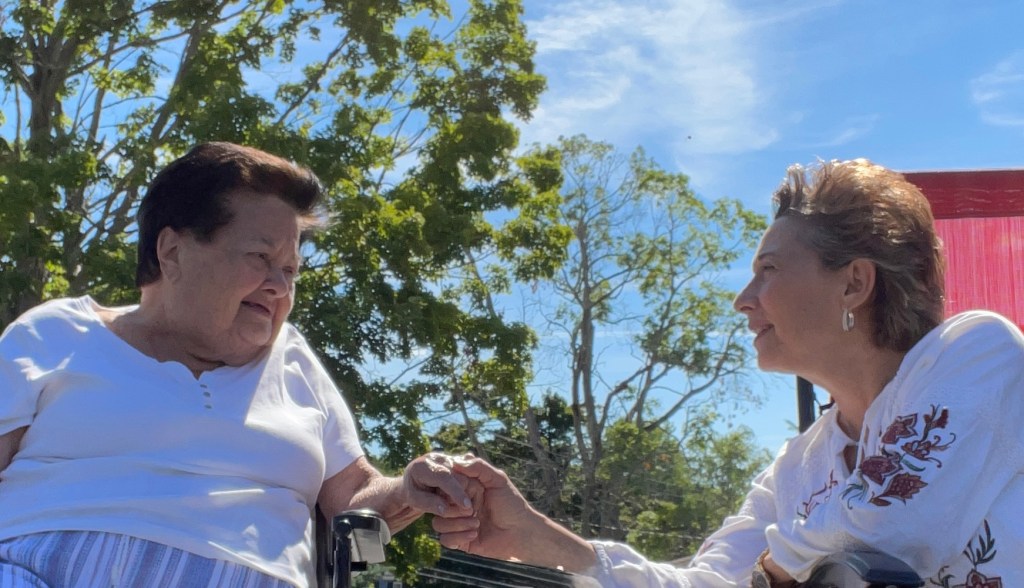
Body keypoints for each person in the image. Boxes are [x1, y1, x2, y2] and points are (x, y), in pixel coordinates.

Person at [434, 159, 1024, 586]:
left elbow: (886, 524)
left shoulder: (977, 351)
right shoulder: (798, 469)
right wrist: (550, 543)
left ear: (854, 282)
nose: (744, 299)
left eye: (768, 269)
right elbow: (708, 584)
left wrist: (766, 574)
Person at [0, 142, 475, 588]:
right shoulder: (56, 333)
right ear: (172, 252)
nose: (279, 286)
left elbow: (353, 502)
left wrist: (411, 490)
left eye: (290, 271)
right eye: (260, 257)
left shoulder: (293, 361)